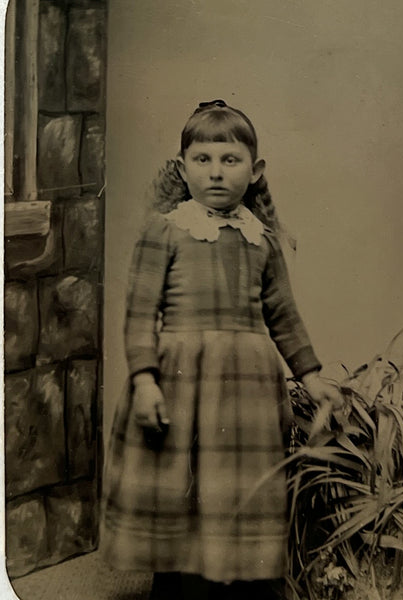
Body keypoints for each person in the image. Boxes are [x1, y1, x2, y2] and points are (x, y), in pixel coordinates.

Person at [100, 100, 343, 599]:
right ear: (182, 166)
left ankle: (241, 586)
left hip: (249, 390)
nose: (215, 172)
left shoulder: (263, 240)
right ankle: (177, 585)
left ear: (254, 171)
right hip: (182, 382)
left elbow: (284, 315)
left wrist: (312, 378)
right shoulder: (165, 229)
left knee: (238, 489)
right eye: (203, 159)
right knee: (179, 484)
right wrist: (145, 381)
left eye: (230, 160)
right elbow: (140, 313)